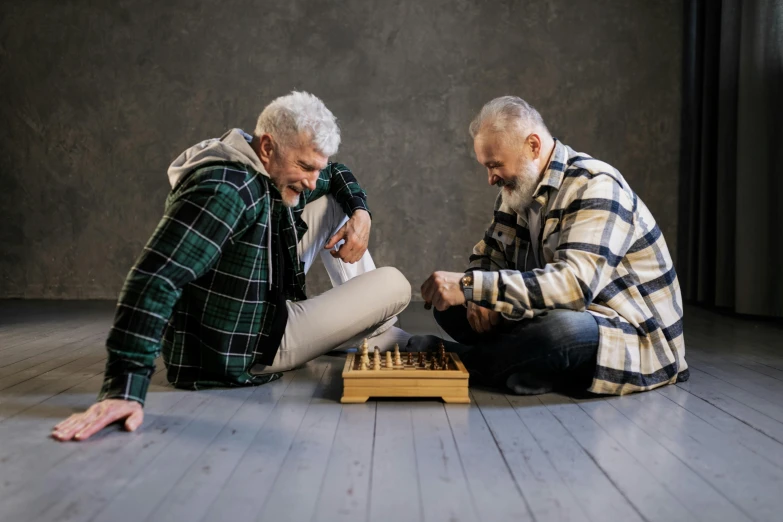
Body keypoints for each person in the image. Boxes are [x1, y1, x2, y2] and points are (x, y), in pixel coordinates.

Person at [53, 92, 411, 441]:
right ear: (268, 147)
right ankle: (376, 333)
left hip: (260, 306)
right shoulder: (227, 190)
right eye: (304, 166)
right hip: (251, 350)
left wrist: (360, 213)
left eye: (314, 166)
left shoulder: (248, 157)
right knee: (395, 284)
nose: (312, 179)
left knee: (334, 201)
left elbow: (335, 176)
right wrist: (124, 388)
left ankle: (368, 331)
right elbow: (155, 277)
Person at [417, 96, 687, 396]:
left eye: (495, 165)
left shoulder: (596, 185)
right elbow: (488, 257)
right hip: (547, 312)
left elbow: (573, 288)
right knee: (450, 305)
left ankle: (463, 360)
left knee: (560, 332)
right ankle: (529, 367)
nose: (490, 178)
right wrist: (474, 293)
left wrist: (473, 286)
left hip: (625, 332)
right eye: (486, 166)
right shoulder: (515, 192)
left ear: (532, 146)